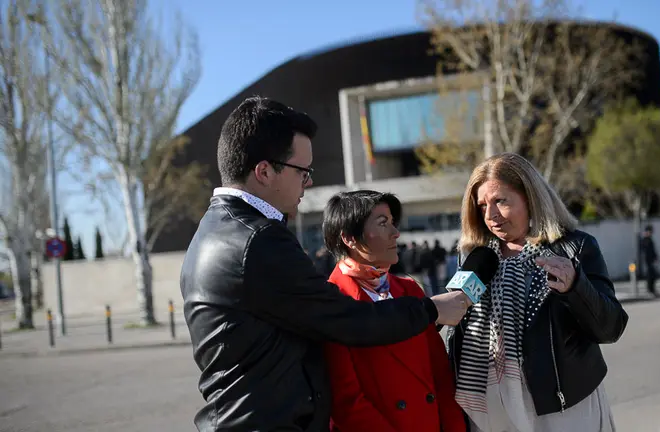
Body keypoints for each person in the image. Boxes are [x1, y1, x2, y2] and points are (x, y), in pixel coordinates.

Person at [180, 96, 470, 432]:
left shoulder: (215, 229)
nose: (309, 182)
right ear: (264, 172)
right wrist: (432, 310)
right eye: (302, 171)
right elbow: (347, 320)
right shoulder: (257, 239)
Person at [448, 153, 629, 432]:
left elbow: (610, 328)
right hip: (490, 409)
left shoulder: (574, 248)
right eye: (482, 205)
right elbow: (457, 328)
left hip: (562, 408)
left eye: (501, 201)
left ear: (530, 197)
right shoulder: (474, 258)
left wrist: (574, 286)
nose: (490, 215)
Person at [322, 190, 466, 432]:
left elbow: (440, 376)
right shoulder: (333, 301)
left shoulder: (409, 290)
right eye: (382, 223)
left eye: (392, 222)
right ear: (349, 238)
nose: (395, 233)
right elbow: (347, 403)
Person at [640, 225, 660, 298]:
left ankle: (652, 290)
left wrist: (656, 257)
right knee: (650, 275)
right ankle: (650, 290)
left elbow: (653, 250)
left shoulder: (650, 239)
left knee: (654, 275)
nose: (651, 233)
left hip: (651, 260)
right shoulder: (644, 240)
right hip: (647, 261)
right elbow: (644, 250)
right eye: (650, 231)